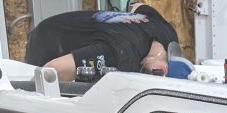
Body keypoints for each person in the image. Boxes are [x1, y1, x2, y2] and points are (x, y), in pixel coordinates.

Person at [24, 3, 178, 81]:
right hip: (45, 42)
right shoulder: (121, 55)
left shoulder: (167, 32)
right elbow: (54, 70)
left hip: (69, 21)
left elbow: (137, 6)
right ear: (161, 70)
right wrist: (24, 94)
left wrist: (122, 25)